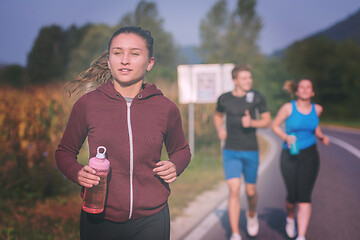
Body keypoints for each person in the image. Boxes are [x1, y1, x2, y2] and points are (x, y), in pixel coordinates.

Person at [55, 26, 191, 240]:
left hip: (152, 217)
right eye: (117, 53)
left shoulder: (165, 108)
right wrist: (76, 172)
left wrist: (175, 165)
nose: (124, 60)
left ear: (150, 62)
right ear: (109, 61)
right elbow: (64, 152)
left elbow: (182, 149)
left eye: (135, 54)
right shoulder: (88, 104)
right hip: (98, 217)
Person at [214, 64, 271, 240]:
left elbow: (267, 121)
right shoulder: (224, 98)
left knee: (251, 192)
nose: (249, 81)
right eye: (245, 78)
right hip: (231, 150)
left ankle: (251, 214)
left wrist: (252, 123)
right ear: (235, 80)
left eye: (250, 77)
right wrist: (220, 129)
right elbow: (217, 115)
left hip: (250, 150)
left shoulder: (257, 97)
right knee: (234, 189)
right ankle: (235, 233)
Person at [272, 79, 329, 240]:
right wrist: (285, 137)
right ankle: (290, 217)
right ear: (297, 92)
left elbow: (315, 126)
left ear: (312, 92)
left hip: (310, 155)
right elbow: (275, 125)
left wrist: (321, 136)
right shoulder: (288, 108)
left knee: (304, 196)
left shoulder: (317, 109)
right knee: (292, 195)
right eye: (301, 87)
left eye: (308, 87)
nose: (304, 90)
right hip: (289, 154)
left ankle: (301, 235)